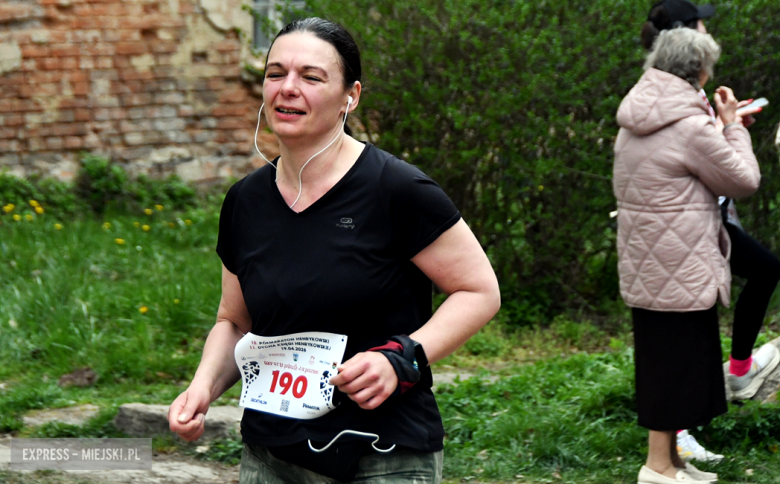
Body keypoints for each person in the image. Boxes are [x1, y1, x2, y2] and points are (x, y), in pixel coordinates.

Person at [167, 17, 501, 484]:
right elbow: (236, 321)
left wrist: (401, 357)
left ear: (352, 96)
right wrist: (201, 387)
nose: (287, 88)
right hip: (271, 454)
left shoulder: (397, 189)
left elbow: (479, 291)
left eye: (311, 76)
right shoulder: (245, 200)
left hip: (382, 452)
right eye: (275, 73)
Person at [613, 27, 761, 484]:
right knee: (674, 367)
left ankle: (673, 464)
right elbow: (742, 181)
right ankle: (657, 468)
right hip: (681, 261)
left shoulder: (636, 114)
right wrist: (733, 126)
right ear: (699, 70)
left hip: (649, 262)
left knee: (667, 362)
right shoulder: (690, 125)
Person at [641, 0, 780, 465]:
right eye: (702, 23)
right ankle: (675, 437)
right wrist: (732, 132)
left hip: (697, 221)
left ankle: (730, 379)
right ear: (687, 36)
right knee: (681, 331)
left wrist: (726, 126)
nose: (708, 30)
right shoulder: (669, 98)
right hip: (684, 227)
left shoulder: (667, 93)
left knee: (753, 279)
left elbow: (696, 156)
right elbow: (741, 178)